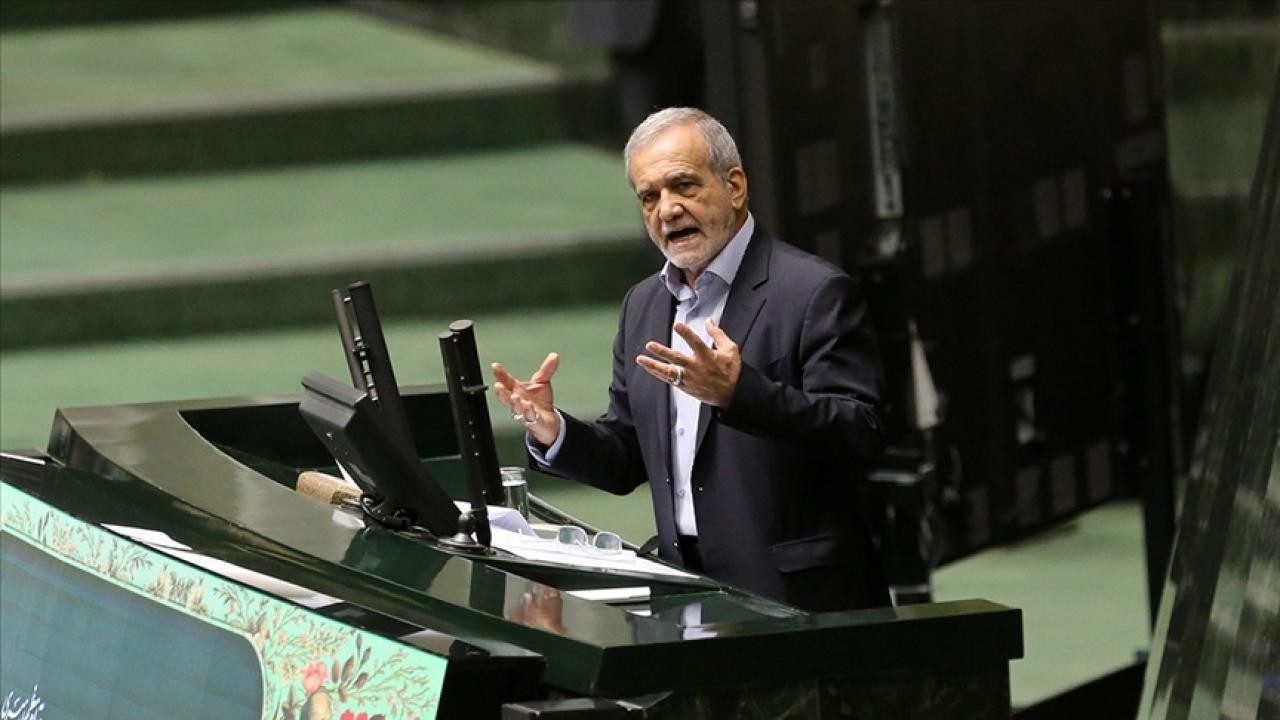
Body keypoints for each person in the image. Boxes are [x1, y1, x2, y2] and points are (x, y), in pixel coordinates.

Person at [491, 108, 889, 612]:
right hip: (688, 596)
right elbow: (627, 454)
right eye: (649, 196)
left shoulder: (813, 292)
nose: (668, 209)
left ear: (735, 187)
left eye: (683, 186)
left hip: (799, 603)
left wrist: (740, 393)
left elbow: (862, 431)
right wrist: (553, 430)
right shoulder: (644, 305)